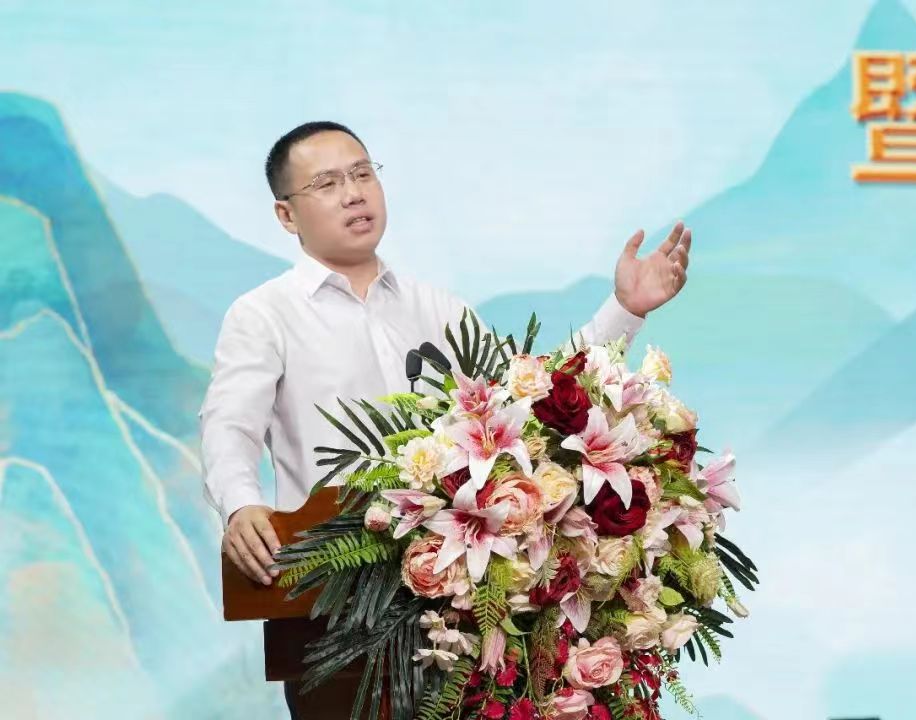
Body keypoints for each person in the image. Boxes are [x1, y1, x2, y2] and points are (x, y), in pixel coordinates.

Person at [198, 120, 691, 715]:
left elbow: (528, 397)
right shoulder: (264, 314)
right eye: (327, 184)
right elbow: (228, 426)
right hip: (336, 610)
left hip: (456, 612)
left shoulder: (435, 308)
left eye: (362, 174)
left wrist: (624, 311)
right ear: (286, 215)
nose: (353, 194)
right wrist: (240, 504)